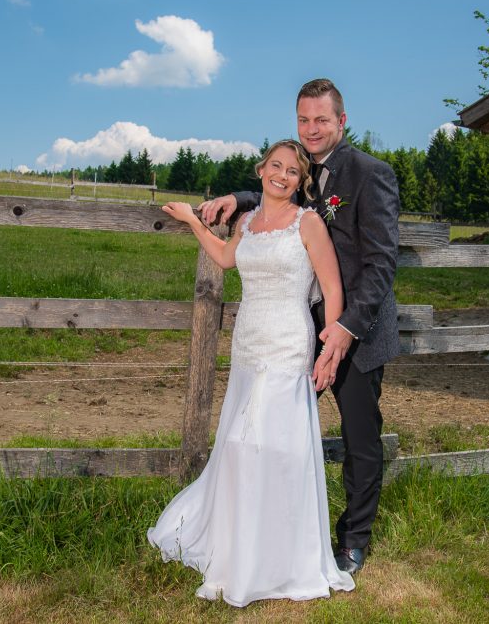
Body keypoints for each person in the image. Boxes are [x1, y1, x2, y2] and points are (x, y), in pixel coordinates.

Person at [199, 79, 401, 575]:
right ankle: (264, 531)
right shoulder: (307, 172)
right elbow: (283, 191)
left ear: (342, 121)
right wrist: (241, 197)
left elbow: (380, 264)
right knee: (274, 433)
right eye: (303, 120)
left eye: (322, 120)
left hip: (356, 329)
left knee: (359, 436)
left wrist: (347, 329)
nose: (311, 129)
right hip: (296, 331)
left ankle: (353, 539)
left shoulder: (371, 174)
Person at [148, 139, 355, 607]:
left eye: (293, 171)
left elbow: (332, 287)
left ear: (302, 182)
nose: (282, 175)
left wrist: (330, 350)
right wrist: (191, 220)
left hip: (287, 343)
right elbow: (225, 259)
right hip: (248, 343)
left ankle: (278, 555)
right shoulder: (247, 221)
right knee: (240, 445)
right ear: (261, 170)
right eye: (275, 166)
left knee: (272, 444)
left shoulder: (309, 223)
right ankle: (239, 542)